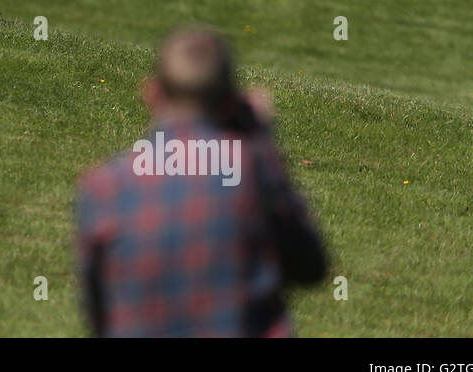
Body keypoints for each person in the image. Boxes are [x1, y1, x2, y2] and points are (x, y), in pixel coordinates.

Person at [75, 26, 328, 337]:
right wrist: (262, 141)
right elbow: (310, 267)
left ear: (152, 93)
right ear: (230, 102)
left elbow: (98, 310)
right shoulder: (252, 169)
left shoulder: (103, 187)